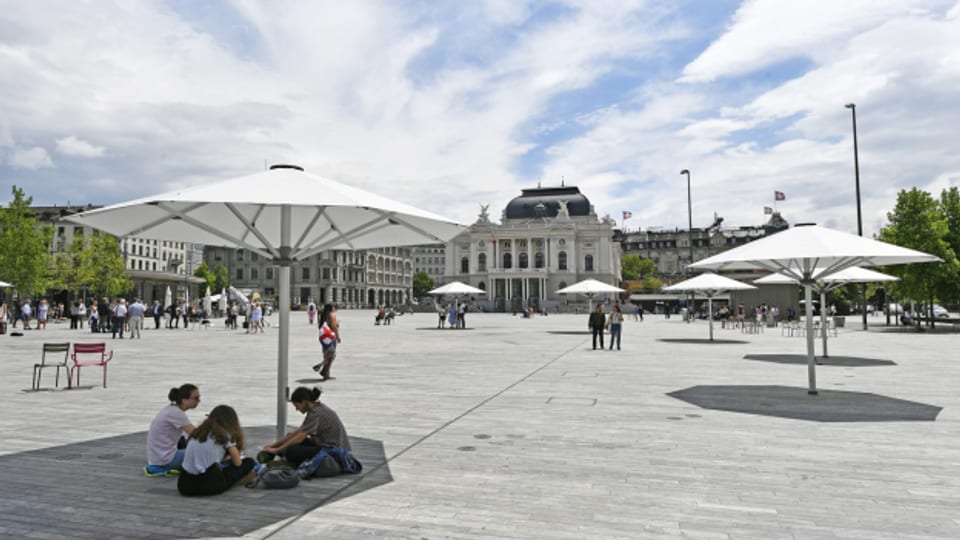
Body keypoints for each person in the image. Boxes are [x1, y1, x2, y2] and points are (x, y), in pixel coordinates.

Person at [176, 405, 257, 496]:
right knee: (249, 462)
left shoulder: (197, 432)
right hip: (210, 485)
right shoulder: (225, 434)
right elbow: (238, 463)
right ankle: (242, 478)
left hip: (185, 486)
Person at [261, 386, 351, 466]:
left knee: (291, 451)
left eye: (297, 406)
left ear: (304, 402)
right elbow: (298, 432)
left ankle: (292, 462)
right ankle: (287, 457)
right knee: (289, 439)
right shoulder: (317, 408)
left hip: (334, 452)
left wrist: (277, 450)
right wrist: (274, 446)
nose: (297, 409)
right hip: (326, 445)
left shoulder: (315, 413)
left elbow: (300, 437)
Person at [145, 384, 200, 477]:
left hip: (158, 456)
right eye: (196, 398)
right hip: (165, 458)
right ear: (184, 400)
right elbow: (197, 434)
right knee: (204, 453)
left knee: (187, 442)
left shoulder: (171, 410)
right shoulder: (176, 413)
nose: (199, 401)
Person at [314, 304, 341, 380]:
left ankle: (326, 372)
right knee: (331, 355)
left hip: (324, 337)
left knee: (328, 354)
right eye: (334, 307)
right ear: (331, 308)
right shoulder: (331, 314)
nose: (335, 308)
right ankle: (324, 371)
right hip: (330, 336)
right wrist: (338, 336)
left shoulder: (324, 315)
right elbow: (333, 326)